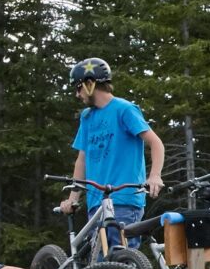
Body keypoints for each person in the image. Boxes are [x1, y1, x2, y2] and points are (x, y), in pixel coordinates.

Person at [59, 59, 163, 255]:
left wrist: (154, 175)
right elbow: (82, 159)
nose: (77, 94)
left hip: (123, 200)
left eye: (78, 88)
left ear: (90, 85)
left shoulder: (124, 109)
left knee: (120, 263)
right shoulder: (87, 116)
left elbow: (155, 143)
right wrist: (73, 198)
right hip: (96, 204)